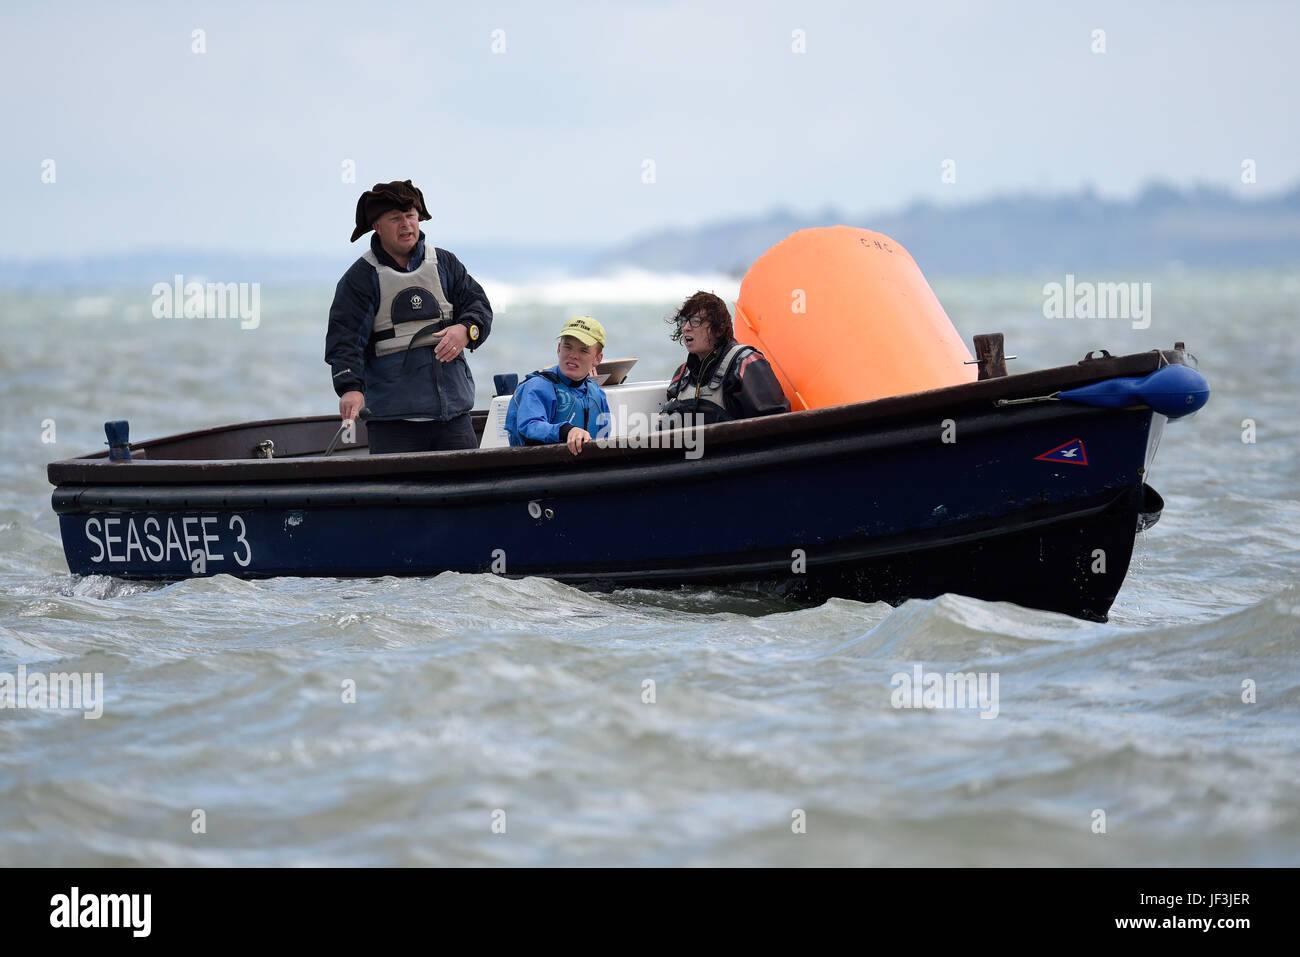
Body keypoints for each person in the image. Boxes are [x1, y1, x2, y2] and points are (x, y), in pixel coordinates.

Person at [325, 179, 493, 454]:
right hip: (393, 424)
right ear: (377, 227)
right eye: (395, 219)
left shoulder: (446, 263)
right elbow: (344, 342)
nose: (406, 224)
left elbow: (480, 305)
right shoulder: (360, 278)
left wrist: (466, 329)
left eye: (410, 216)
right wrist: (350, 388)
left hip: (454, 419)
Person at [661, 291, 790, 424]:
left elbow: (778, 426)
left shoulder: (745, 364)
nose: (686, 328)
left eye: (696, 321)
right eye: (683, 321)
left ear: (719, 328)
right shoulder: (682, 376)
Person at [505, 316, 612, 455]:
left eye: (583, 350)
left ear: (597, 359)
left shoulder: (597, 393)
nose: (573, 355)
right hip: (541, 470)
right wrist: (567, 430)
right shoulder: (537, 387)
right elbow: (529, 426)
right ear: (559, 349)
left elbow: (604, 438)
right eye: (568, 346)